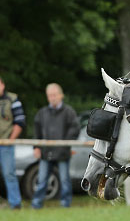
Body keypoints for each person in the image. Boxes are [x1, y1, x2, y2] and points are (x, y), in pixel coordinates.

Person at [32, 83, 79, 208]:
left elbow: (75, 129)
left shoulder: (69, 112)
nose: (52, 98)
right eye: (49, 96)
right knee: (41, 180)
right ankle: (36, 204)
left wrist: (65, 145)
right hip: (45, 152)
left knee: (64, 180)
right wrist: (36, 147)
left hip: (63, 153)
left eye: (54, 95)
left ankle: (65, 204)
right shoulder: (42, 113)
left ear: (61, 95)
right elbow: (36, 132)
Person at [0, 74, 26, 209]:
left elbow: (20, 121)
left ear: (3, 85)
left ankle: (15, 203)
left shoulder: (12, 99)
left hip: (6, 144)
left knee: (9, 174)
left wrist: (10, 140)